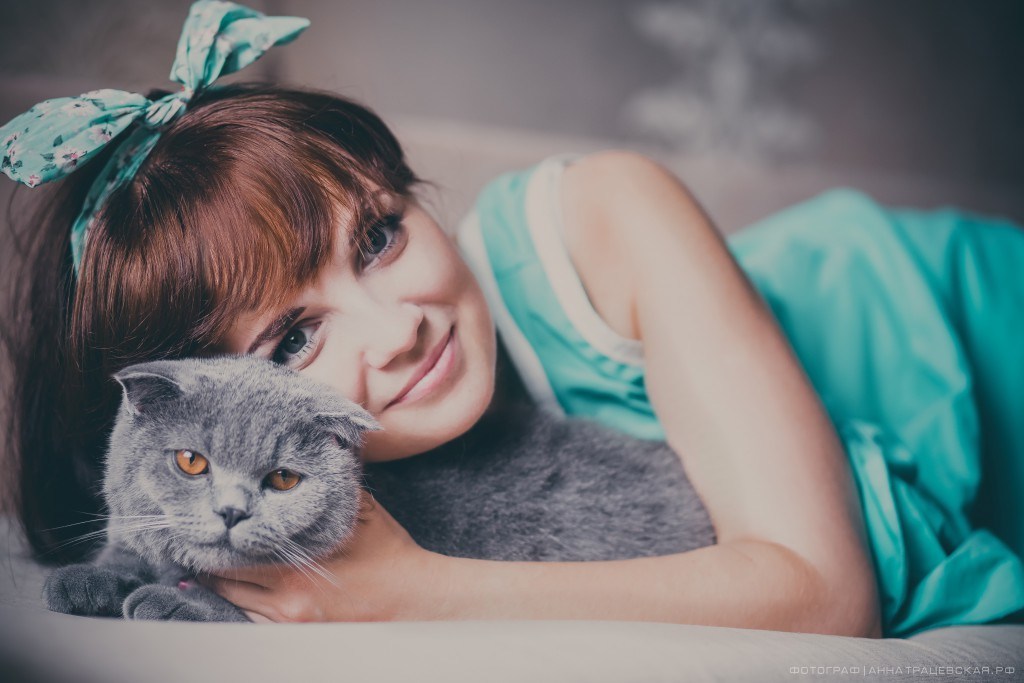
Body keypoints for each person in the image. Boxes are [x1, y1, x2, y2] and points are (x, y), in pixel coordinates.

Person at [3, 1, 1022, 639]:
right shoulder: (318, 476)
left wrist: (415, 588)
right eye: (294, 340)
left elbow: (824, 595)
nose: (397, 327)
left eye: (378, 236)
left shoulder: (604, 210)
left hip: (971, 316)